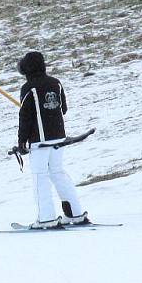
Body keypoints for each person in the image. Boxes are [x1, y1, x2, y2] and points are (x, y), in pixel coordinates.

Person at [15, 51, 90, 229]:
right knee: (58, 173)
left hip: (40, 142)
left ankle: (46, 217)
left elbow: (24, 118)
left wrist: (21, 142)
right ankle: (75, 213)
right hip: (59, 137)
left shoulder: (28, 88)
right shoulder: (56, 83)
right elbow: (62, 109)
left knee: (40, 176)